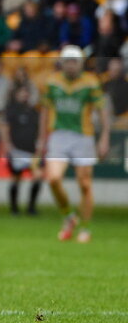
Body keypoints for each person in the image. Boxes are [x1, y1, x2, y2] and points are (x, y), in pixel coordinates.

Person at [36, 45, 110, 243]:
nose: (71, 65)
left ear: (81, 63)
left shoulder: (91, 83)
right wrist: (42, 139)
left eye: (74, 61)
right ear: (62, 62)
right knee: (53, 178)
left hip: (83, 136)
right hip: (59, 135)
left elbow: (103, 111)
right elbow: (45, 111)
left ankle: (85, 228)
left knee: (84, 184)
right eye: (67, 61)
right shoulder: (52, 82)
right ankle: (69, 216)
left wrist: (104, 138)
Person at [0, 85, 43, 215]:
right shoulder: (12, 110)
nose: (25, 95)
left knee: (38, 177)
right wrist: (8, 145)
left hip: (32, 151)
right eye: (22, 92)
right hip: (17, 150)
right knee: (16, 178)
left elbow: (39, 128)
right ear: (16, 94)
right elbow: (4, 127)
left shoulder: (34, 111)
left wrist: (40, 144)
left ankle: (31, 208)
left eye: (26, 92)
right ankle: (14, 208)